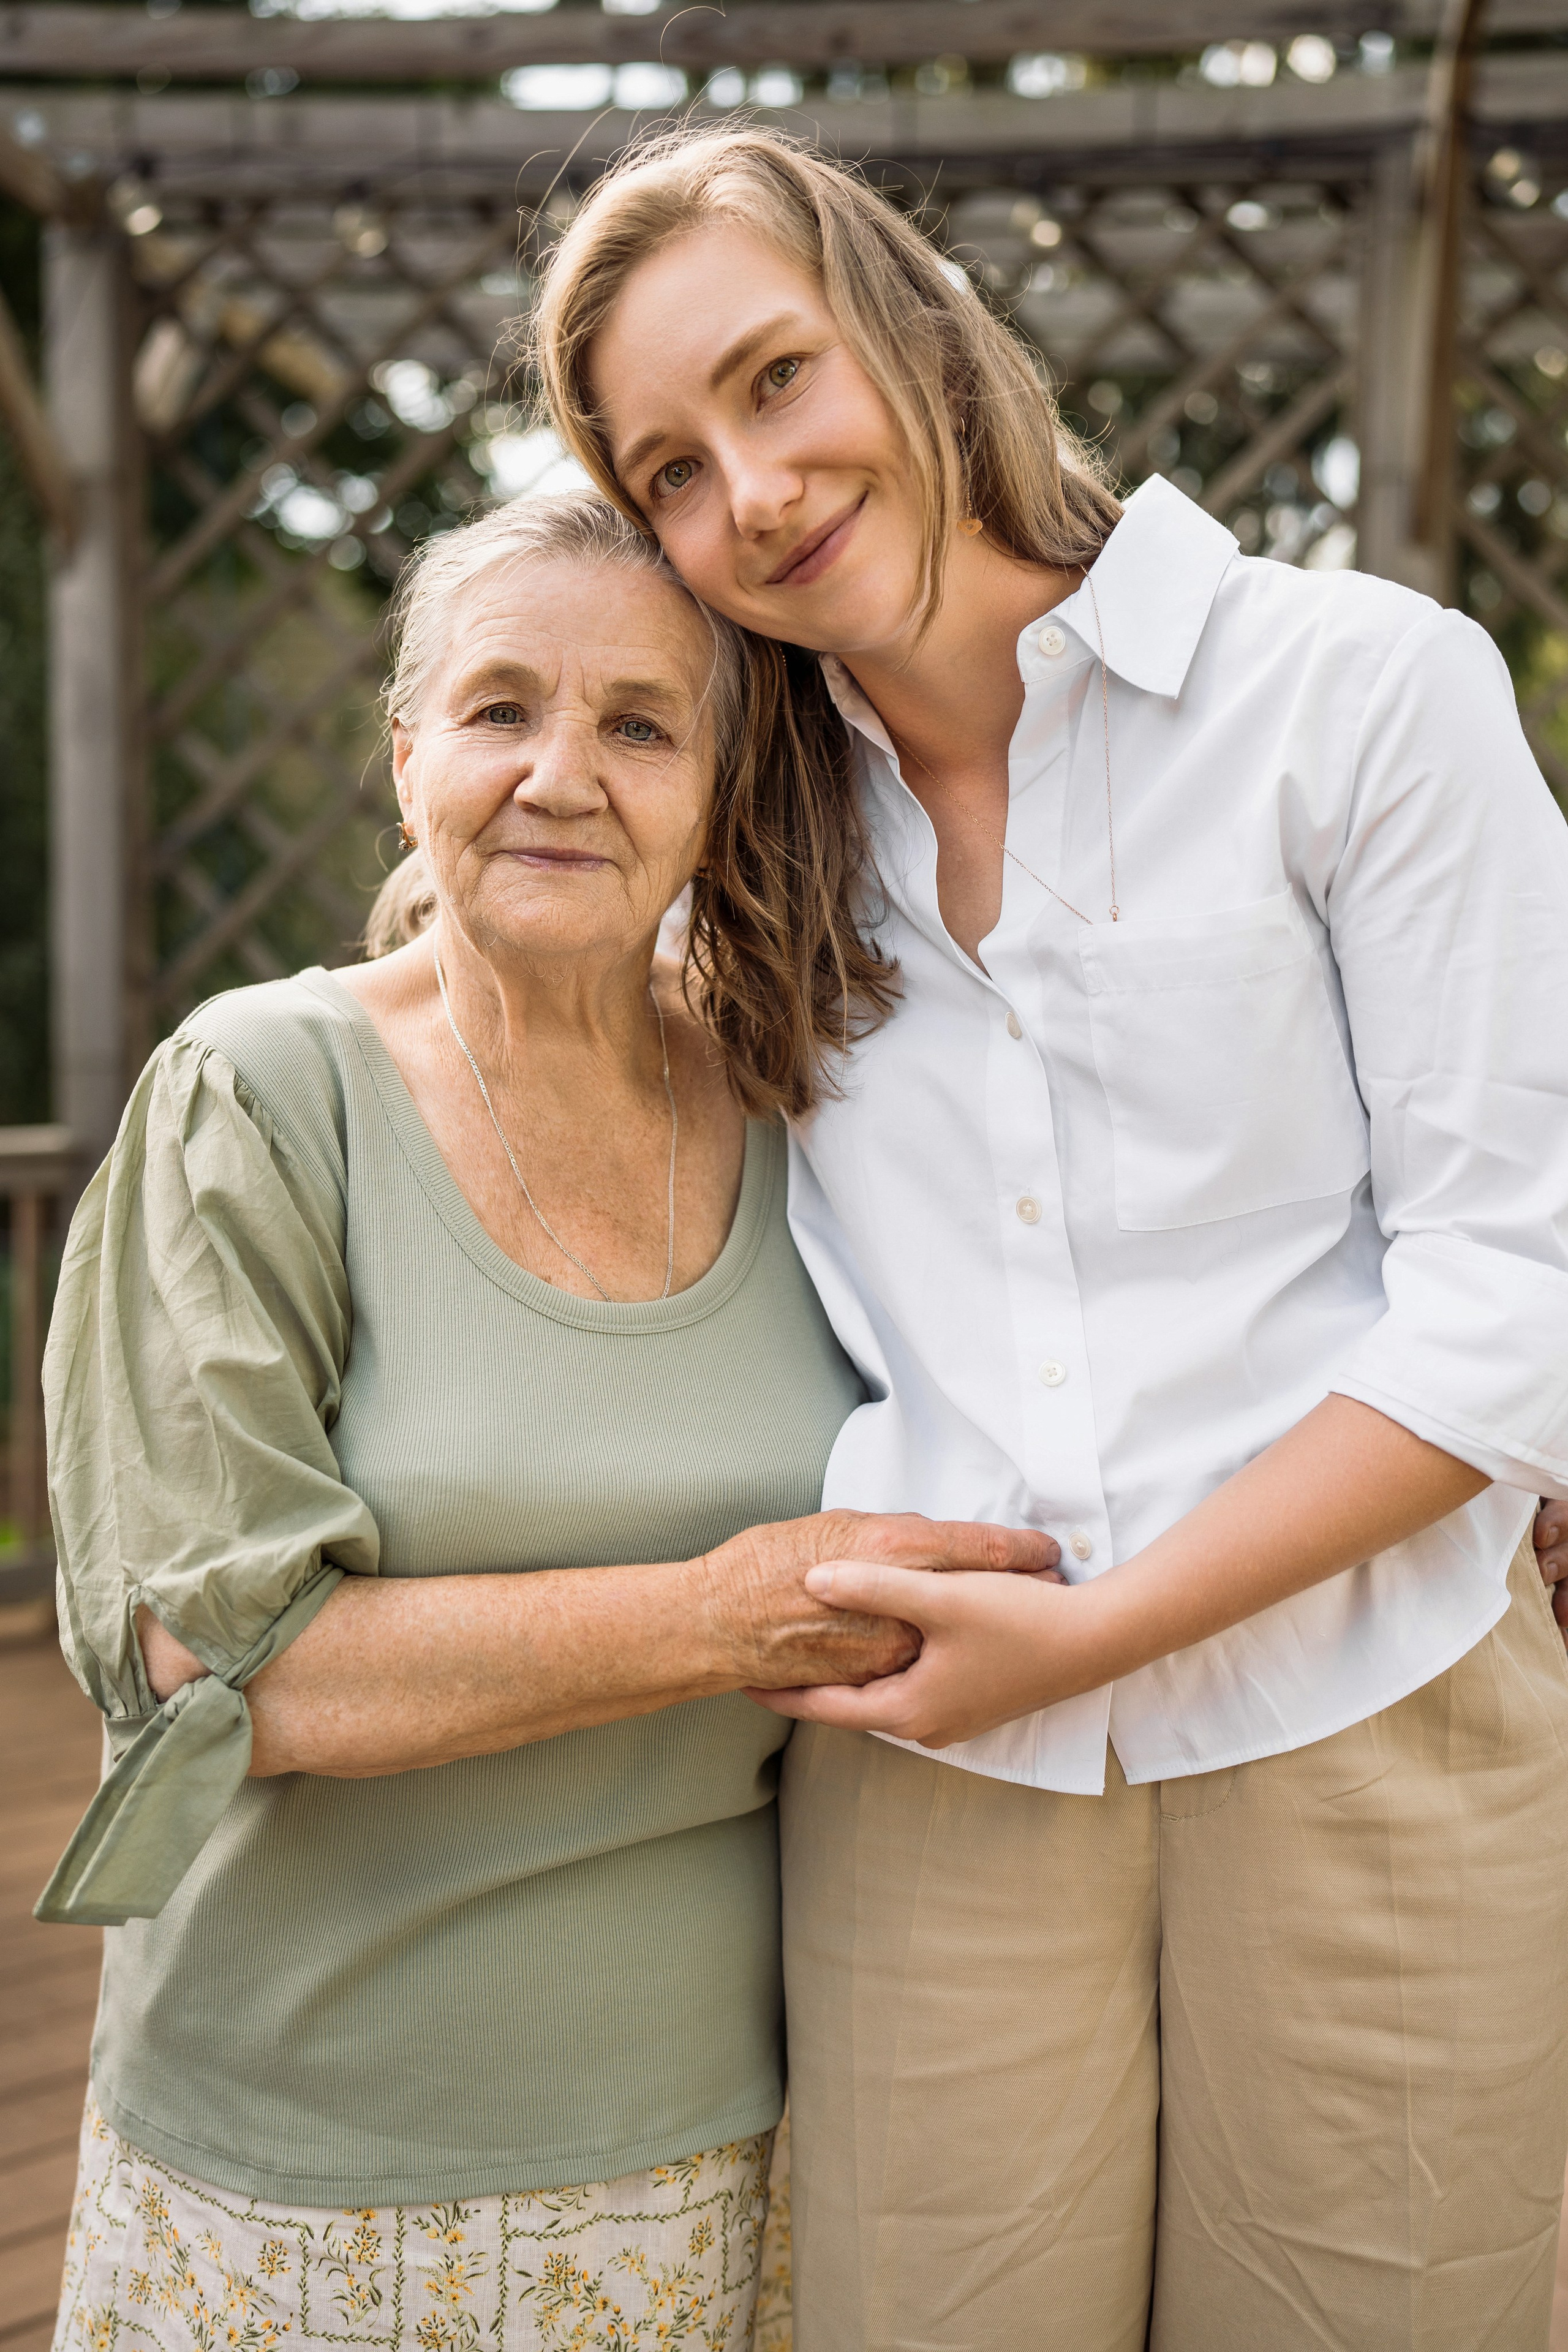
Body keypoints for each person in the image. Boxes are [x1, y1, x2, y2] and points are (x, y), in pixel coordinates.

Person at [535, 127, 1568, 2350]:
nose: (759, 492)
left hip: (1381, 1709)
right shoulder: (743, 856)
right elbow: (504, 949)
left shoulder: (1363, 695)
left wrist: (1098, 1637)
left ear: (914, 328)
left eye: (776, 380)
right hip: (929, 1765)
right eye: (675, 477)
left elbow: (1523, 1287)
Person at [40, 489, 1052, 2352]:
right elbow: (224, 1663)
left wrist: (1497, 1476)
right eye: (502, 709)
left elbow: (1075, 1351)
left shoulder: (797, 1097)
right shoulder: (262, 1095)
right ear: (409, 749)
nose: (562, 775)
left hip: (724, 2145)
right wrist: (718, 1615)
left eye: (640, 723)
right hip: (312, 2161)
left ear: (720, 783)